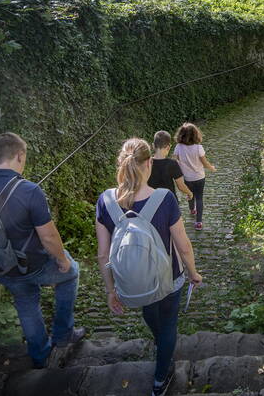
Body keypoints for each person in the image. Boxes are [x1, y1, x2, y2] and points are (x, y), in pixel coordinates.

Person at [0, 132, 85, 368]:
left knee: (26, 302)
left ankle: (40, 355)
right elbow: (49, 237)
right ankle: (63, 335)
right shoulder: (29, 190)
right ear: (20, 155)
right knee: (71, 273)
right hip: (34, 264)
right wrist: (62, 260)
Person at [95, 138, 202, 396]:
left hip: (134, 281)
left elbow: (102, 254)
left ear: (121, 164)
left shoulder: (106, 200)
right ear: (149, 164)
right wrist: (193, 273)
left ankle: (162, 347)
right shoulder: (164, 199)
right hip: (169, 278)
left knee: (150, 312)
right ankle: (159, 380)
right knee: (168, 326)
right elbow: (183, 246)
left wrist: (111, 291)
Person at [172, 123, 216, 231]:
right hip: (199, 177)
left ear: (181, 134)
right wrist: (211, 168)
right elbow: (204, 163)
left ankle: (192, 209)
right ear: (196, 134)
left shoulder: (178, 147)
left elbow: (174, 160)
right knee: (199, 197)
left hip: (186, 177)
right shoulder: (198, 148)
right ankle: (199, 222)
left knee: (189, 193)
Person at [149, 130, 194, 203]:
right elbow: (181, 186)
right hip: (169, 202)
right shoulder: (172, 164)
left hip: (151, 202)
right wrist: (190, 193)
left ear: (153, 146)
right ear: (168, 147)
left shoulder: (146, 163)